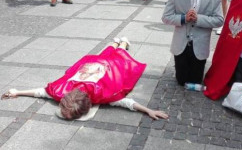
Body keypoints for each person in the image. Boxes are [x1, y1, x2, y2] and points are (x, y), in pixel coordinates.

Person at [1, 37, 169, 121]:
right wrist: (18, 92)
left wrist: (148, 111)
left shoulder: (102, 96)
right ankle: (117, 42)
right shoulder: (63, 92)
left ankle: (122, 42)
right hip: (95, 65)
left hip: (105, 68)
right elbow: (41, 92)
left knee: (120, 58)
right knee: (109, 54)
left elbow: (127, 102)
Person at [162, 0, 223, 86]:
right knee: (181, 81)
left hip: (200, 44)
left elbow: (219, 20)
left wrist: (198, 19)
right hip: (181, 44)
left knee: (195, 80)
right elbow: (166, 17)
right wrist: (183, 18)